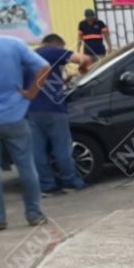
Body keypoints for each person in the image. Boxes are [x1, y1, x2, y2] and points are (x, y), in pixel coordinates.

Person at [0, 8, 52, 232]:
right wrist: (32, 93)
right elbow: (44, 67)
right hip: (15, 116)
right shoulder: (13, 44)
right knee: (26, 166)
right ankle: (34, 214)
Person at [28, 34, 91, 195]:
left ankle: (47, 185)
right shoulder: (52, 51)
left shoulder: (29, 57)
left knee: (38, 150)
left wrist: (61, 81)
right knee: (62, 148)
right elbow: (84, 58)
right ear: (55, 45)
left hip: (31, 110)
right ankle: (70, 181)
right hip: (53, 109)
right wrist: (83, 69)